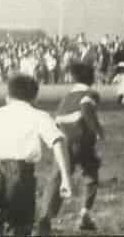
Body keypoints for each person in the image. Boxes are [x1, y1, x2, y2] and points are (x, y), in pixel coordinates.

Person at [0, 73, 73, 237]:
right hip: (20, 173)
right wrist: (65, 177)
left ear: (8, 96)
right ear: (34, 98)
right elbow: (57, 141)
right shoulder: (38, 115)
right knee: (19, 228)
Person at [37, 62, 105, 235]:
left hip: (64, 142)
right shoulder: (90, 94)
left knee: (58, 176)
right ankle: (85, 214)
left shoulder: (67, 96)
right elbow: (87, 110)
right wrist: (98, 132)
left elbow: (57, 119)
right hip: (82, 140)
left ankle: (46, 217)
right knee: (91, 173)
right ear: (91, 78)